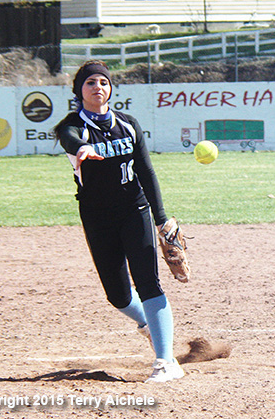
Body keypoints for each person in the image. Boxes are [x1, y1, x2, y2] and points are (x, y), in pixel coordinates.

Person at [53, 60, 184, 382]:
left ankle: (166, 361)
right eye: (90, 82)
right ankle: (149, 325)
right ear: (79, 90)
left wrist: (161, 218)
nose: (97, 87)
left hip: (133, 210)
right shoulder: (73, 126)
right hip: (97, 217)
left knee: (148, 282)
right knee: (118, 296)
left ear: (111, 89)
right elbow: (69, 137)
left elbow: (146, 171)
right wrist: (82, 148)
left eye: (103, 82)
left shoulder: (128, 124)